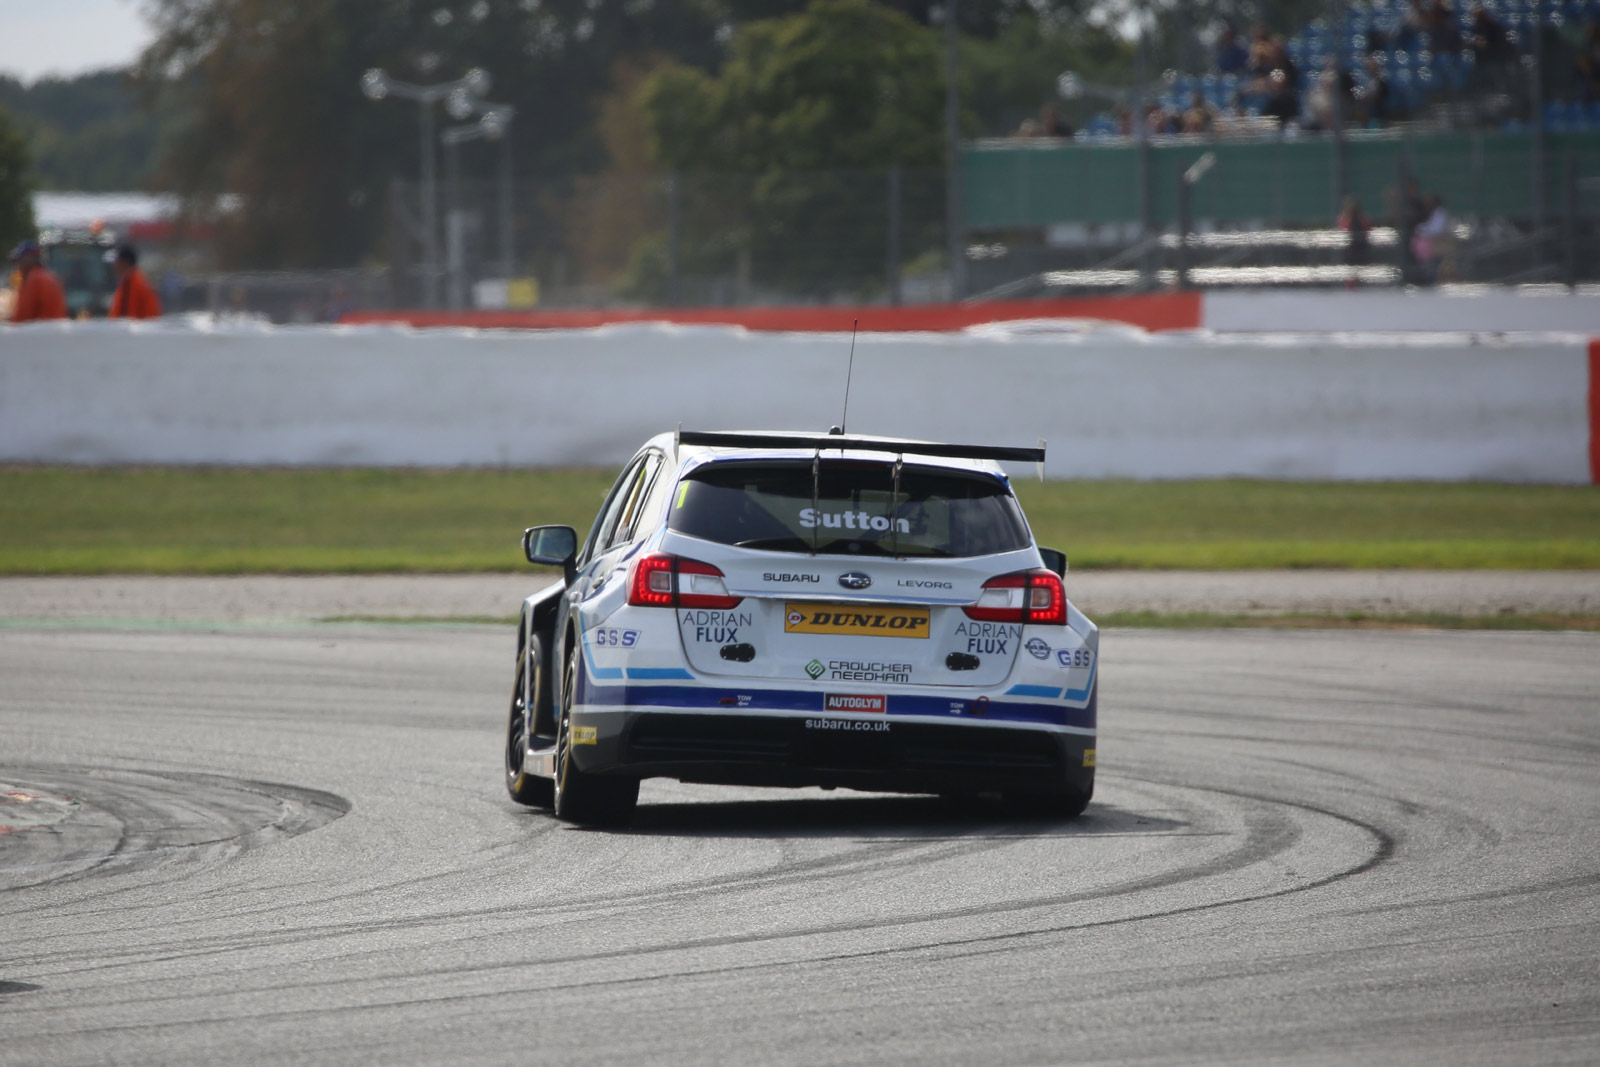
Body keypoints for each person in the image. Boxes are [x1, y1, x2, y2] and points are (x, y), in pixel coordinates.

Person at [8, 239, 67, 323]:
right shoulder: (49, 276)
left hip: (38, 332)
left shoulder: (34, 278)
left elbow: (24, 314)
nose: (19, 266)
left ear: (29, 258)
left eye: (20, 260)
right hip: (52, 330)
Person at [108, 244, 162, 319]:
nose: (114, 266)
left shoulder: (134, 284)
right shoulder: (129, 281)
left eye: (117, 262)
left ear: (125, 262)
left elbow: (129, 315)